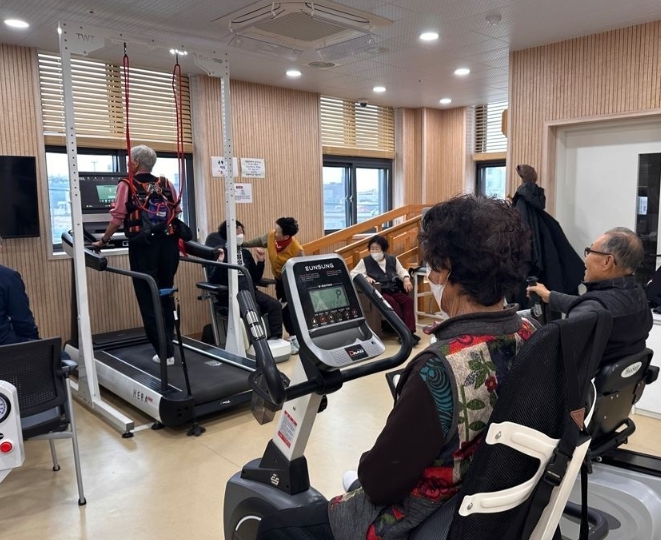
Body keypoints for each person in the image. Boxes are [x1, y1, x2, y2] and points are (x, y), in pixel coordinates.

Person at [256, 195, 537, 540]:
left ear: (447, 268)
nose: (430, 276)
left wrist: (368, 466)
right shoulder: (529, 333)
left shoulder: (439, 369)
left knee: (272, 528)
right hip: (482, 498)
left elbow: (378, 483)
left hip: (417, 516)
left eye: (432, 267)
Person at [92, 145, 182, 366]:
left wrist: (103, 241)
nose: (126, 163)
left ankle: (163, 352)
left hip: (144, 247)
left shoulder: (126, 184)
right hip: (168, 247)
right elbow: (176, 212)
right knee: (164, 294)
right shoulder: (166, 183)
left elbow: (117, 218)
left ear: (136, 163)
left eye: (128, 160)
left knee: (148, 297)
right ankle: (169, 348)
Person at [527, 227, 652, 366]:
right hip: (619, 376)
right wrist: (550, 296)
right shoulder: (638, 294)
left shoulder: (593, 307)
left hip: (586, 378)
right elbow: (595, 307)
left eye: (590, 251)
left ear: (607, 261)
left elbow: (559, 358)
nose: (586, 258)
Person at [205, 220, 283, 340]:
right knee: (253, 309)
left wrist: (261, 261)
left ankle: (276, 338)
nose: (240, 234)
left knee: (275, 305)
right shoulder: (219, 252)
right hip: (231, 294)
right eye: (237, 232)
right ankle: (257, 343)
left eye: (241, 231)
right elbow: (213, 279)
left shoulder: (245, 253)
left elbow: (256, 277)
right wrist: (220, 262)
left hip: (250, 291)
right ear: (228, 234)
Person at [243, 217, 304, 354]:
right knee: (281, 308)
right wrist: (242, 244)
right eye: (275, 229)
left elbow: (301, 270)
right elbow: (258, 241)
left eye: (277, 231)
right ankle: (290, 338)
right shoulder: (271, 236)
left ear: (286, 236)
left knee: (288, 310)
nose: (274, 233)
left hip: (292, 281)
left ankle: (295, 339)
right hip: (279, 280)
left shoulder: (296, 250)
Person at [350, 235, 420, 344]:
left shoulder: (392, 259)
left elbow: (401, 271)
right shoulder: (365, 261)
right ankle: (401, 331)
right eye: (372, 249)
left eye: (377, 249)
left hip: (393, 289)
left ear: (383, 249)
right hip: (379, 291)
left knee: (408, 301)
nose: (374, 251)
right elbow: (353, 273)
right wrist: (366, 277)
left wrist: (406, 279)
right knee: (390, 302)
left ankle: (410, 332)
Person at [0, 234, 40, 345]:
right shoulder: (8, 276)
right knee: (61, 353)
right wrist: (36, 344)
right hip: (5, 347)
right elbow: (23, 321)